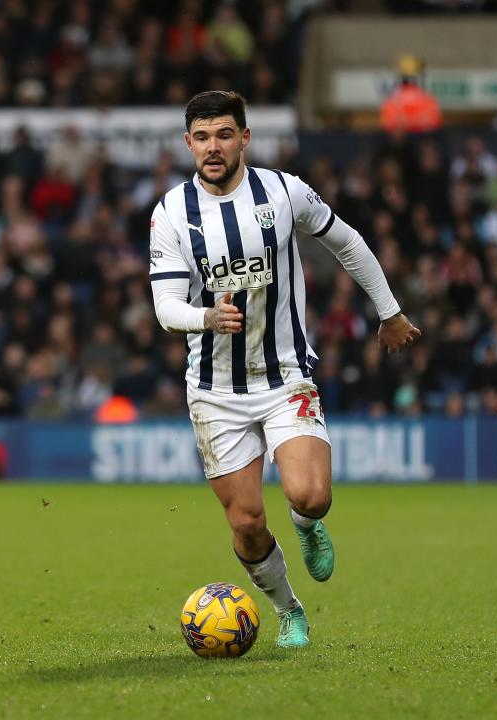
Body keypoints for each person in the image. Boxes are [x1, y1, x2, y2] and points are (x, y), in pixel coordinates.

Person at [149, 91, 421, 648]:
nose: (213, 147)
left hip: (284, 375)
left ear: (244, 138)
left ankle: (305, 525)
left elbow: (348, 243)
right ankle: (288, 610)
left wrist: (390, 312)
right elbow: (164, 307)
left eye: (224, 134)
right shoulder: (172, 212)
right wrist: (205, 315)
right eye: (201, 137)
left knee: (310, 495)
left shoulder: (283, 191)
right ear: (188, 144)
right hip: (214, 389)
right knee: (246, 522)